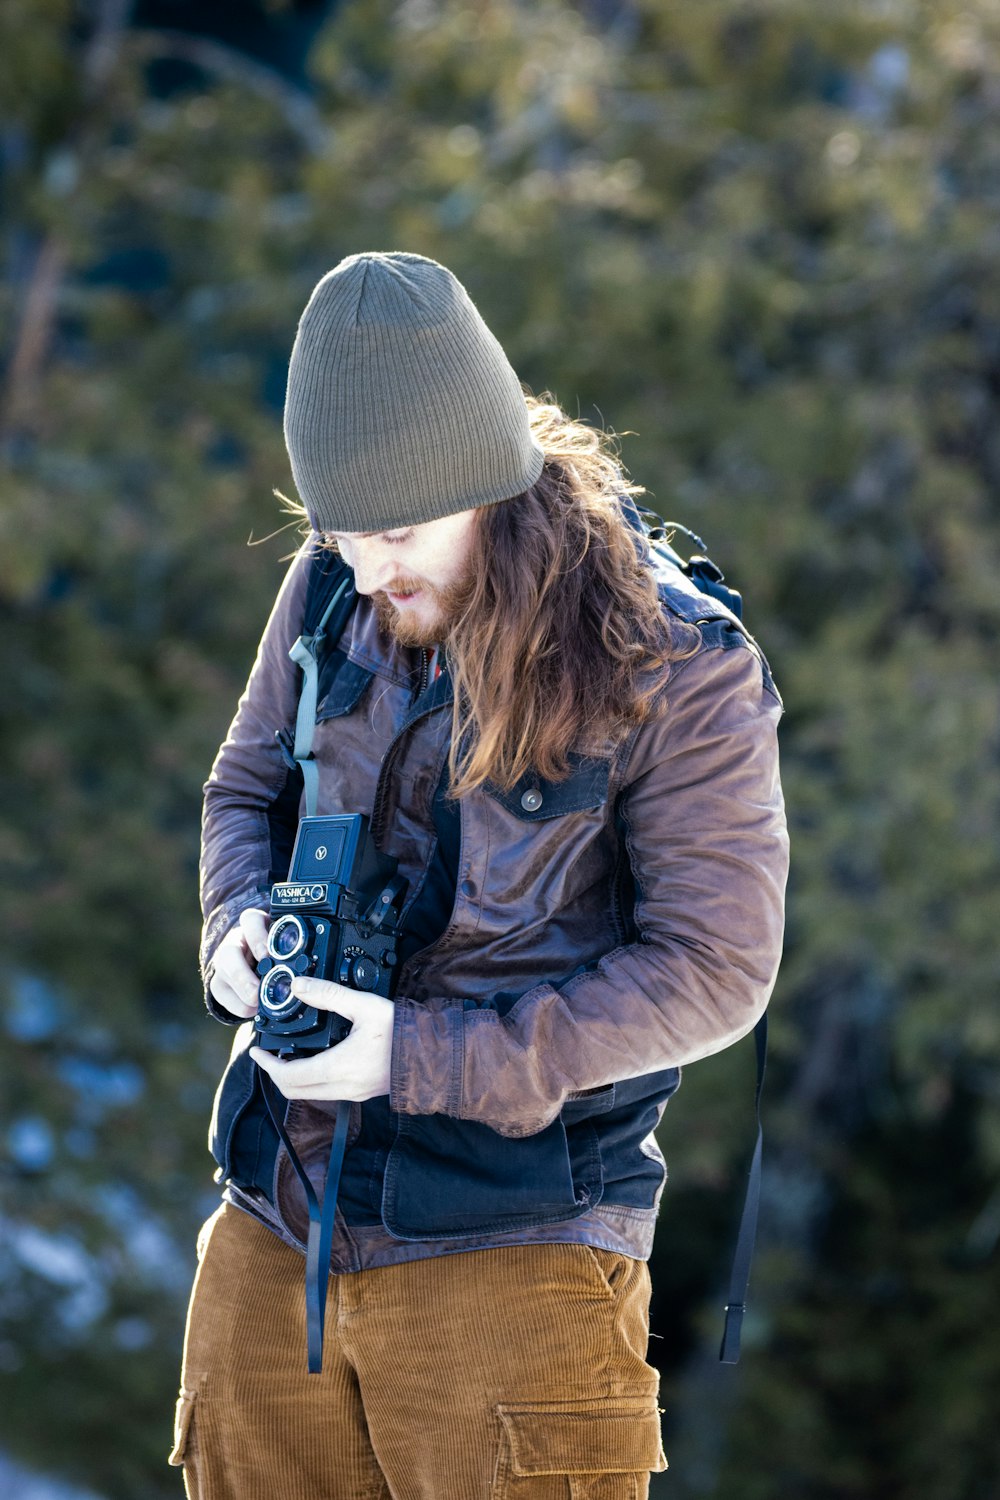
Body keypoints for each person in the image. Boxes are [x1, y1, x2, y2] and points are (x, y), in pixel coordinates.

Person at [169, 250, 789, 1500]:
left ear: (489, 488)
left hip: (516, 1250)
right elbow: (245, 792)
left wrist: (418, 1056)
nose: (366, 571)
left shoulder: (678, 663)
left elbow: (718, 970)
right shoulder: (330, 591)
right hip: (272, 1218)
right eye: (335, 534)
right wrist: (236, 928)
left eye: (396, 533)